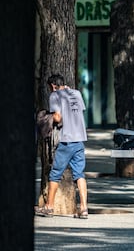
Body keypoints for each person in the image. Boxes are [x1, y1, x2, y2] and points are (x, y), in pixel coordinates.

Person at [36, 74, 88, 218]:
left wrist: (48, 117)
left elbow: (58, 117)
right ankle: (83, 209)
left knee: (55, 174)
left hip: (66, 139)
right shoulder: (76, 93)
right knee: (79, 174)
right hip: (79, 139)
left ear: (53, 85)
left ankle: (49, 207)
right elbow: (79, 111)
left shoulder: (55, 95)